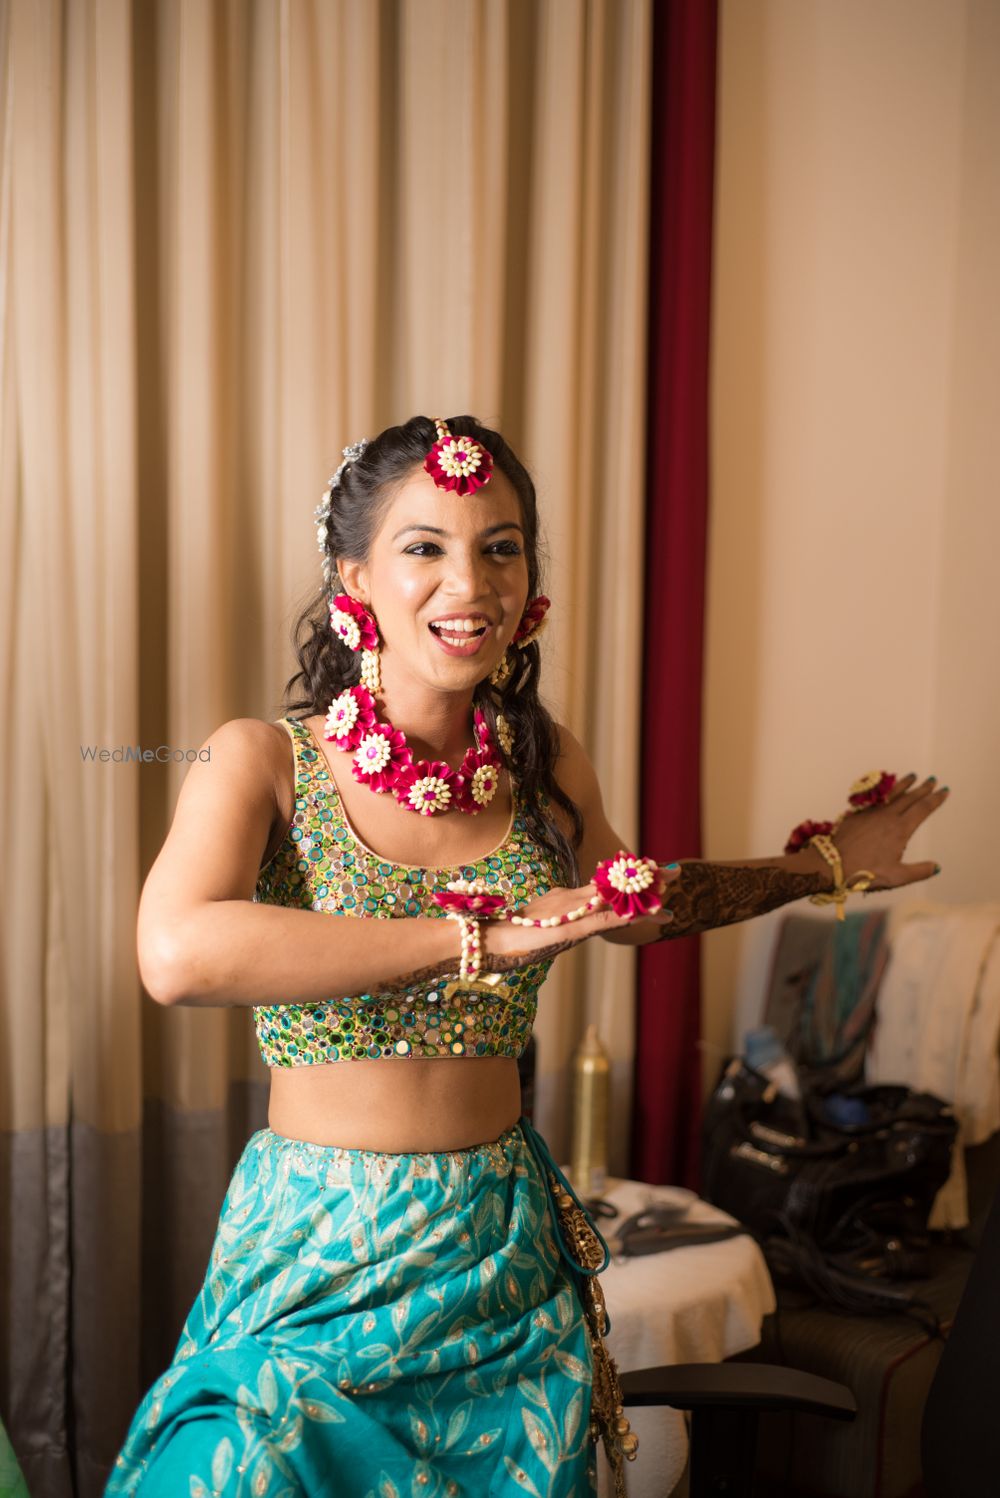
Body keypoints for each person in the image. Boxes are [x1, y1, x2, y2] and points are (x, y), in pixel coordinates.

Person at [106, 415, 948, 1497]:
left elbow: (634, 906)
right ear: (352, 574)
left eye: (500, 546)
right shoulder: (264, 759)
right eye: (426, 546)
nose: (471, 581)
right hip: (318, 1244)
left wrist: (827, 862)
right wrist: (478, 936)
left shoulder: (545, 767)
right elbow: (177, 951)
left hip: (496, 1248)